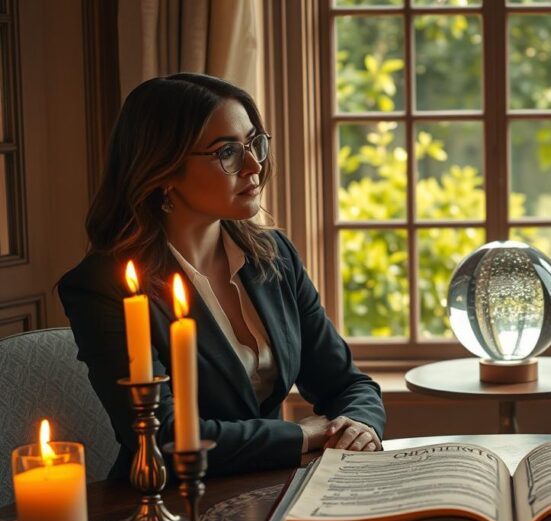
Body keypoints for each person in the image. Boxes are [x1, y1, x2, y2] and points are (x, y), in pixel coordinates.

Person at [59, 73, 385, 478]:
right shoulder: (104, 286)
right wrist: (300, 436)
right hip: (164, 503)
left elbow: (348, 385)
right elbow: (164, 437)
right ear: (162, 169)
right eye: (226, 152)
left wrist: (358, 424)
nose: (254, 164)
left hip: (271, 485)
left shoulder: (275, 256)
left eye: (254, 143)